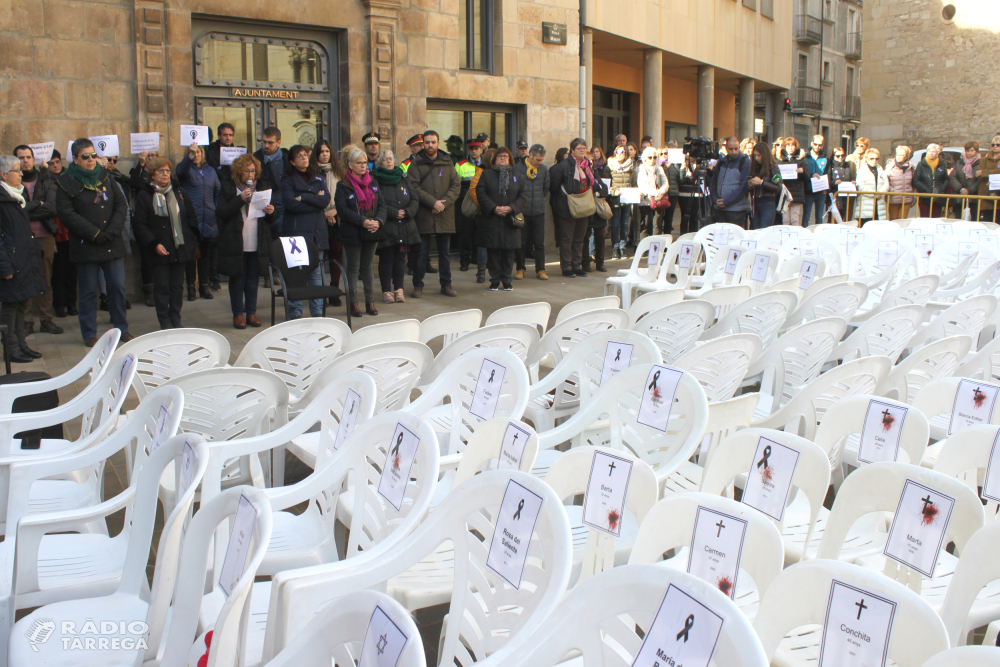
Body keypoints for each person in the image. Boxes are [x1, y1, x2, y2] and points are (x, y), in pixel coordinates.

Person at [55, 139, 132, 346]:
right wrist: (95, 233)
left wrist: (113, 230)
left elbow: (120, 204)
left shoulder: (106, 176)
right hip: (86, 244)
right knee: (88, 290)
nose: (91, 160)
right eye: (85, 156)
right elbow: (67, 214)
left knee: (117, 287)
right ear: (75, 159)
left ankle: (121, 328)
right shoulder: (66, 182)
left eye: (93, 155)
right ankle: (89, 332)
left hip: (111, 241)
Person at [131, 157, 200, 330]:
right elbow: (139, 224)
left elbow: (191, 218)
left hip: (180, 248)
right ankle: (165, 322)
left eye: (167, 170)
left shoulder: (180, 193)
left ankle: (176, 319)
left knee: (177, 287)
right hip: (159, 248)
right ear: (152, 174)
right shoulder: (145, 196)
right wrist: (153, 243)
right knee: (162, 287)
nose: (165, 174)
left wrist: (190, 241)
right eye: (160, 171)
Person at [215, 153, 276, 330]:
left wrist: (272, 211)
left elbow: (273, 217)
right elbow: (222, 213)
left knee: (252, 279)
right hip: (236, 240)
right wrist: (239, 199)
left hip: (257, 238)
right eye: (246, 171)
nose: (250, 175)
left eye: (253, 171)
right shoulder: (229, 187)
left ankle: (251, 312)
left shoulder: (262, 186)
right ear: (238, 172)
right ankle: (237, 314)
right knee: (237, 279)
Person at [0, 155, 47, 362]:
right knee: (10, 306)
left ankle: (21, 344)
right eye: (16, 170)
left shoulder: (16, 197)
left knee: (21, 303)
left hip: (22, 260)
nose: (21, 174)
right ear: (3, 174)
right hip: (11, 262)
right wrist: (5, 266)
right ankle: (11, 349)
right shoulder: (3, 201)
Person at [14, 145, 62, 335]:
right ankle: (27, 321)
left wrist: (25, 210)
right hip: (21, 238)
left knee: (46, 279)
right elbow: (13, 212)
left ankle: (46, 319)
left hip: (45, 235)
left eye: (28, 157)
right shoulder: (12, 183)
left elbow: (52, 208)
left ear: (34, 159)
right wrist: (36, 205)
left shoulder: (46, 180)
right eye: (21, 158)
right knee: (24, 279)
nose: (25, 161)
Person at [281, 144, 331, 319]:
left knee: (316, 273)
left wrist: (304, 197)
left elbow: (325, 200)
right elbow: (290, 204)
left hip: (317, 232)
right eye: (299, 156)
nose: (304, 158)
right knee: (296, 274)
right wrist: (315, 201)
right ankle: (295, 312)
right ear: (293, 161)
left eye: (305, 155)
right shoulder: (287, 180)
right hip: (296, 233)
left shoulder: (317, 177)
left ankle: (317, 311)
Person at [335, 145, 386, 316]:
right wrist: (363, 221)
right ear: (350, 165)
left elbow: (382, 205)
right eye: (359, 163)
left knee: (368, 267)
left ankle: (369, 302)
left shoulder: (373, 183)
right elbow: (342, 210)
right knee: (353, 267)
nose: (363, 166)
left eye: (365, 163)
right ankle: (353, 303)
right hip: (353, 231)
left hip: (372, 230)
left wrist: (378, 221)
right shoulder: (343, 185)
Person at [408, 130, 460, 298]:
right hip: (424, 213)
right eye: (427, 142)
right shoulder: (416, 164)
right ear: (423, 144)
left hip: (444, 214)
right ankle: (418, 285)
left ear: (438, 143)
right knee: (421, 252)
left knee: (444, 253)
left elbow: (456, 185)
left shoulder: (447, 161)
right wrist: (432, 202)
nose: (430, 145)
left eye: (433, 142)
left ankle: (446, 285)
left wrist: (443, 203)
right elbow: (413, 187)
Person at [476, 146, 528, 290]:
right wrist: (494, 208)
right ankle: (494, 280)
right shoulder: (487, 174)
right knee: (492, 251)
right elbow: (481, 193)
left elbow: (523, 196)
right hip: (491, 219)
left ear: (510, 159)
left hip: (510, 220)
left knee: (508, 252)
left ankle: (506, 280)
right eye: (500, 156)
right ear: (495, 159)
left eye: (505, 156)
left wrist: (511, 208)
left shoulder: (517, 175)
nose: (503, 158)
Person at [549, 137, 601, 277]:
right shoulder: (563, 166)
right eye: (579, 148)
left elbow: (593, 182)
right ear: (572, 150)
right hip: (567, 207)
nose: (583, 150)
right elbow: (553, 188)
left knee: (579, 237)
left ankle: (576, 265)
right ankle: (566, 267)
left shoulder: (587, 165)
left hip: (584, 206)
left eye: (584, 148)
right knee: (567, 238)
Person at [373, 149, 419, 304]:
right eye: (385, 159)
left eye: (391, 158)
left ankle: (399, 290)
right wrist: (394, 213)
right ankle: (386, 291)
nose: (388, 161)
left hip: (404, 227)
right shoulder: (376, 180)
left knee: (400, 259)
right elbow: (377, 202)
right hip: (387, 226)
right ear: (380, 162)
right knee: (386, 259)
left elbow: (414, 198)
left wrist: (407, 212)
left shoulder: (402, 177)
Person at [176, 142, 221, 299]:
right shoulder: (186, 169)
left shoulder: (210, 171)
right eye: (194, 152)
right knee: (190, 255)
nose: (197, 155)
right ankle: (190, 288)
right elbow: (180, 173)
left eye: (199, 152)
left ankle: (204, 286)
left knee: (205, 255)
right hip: (192, 218)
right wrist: (189, 157)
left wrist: (214, 208)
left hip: (208, 217)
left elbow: (217, 190)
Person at [46, 151, 77, 318]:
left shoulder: (69, 178)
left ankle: (72, 303)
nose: (55, 165)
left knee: (72, 271)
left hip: (70, 231)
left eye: (57, 162)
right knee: (58, 272)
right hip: (55, 231)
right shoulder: (44, 182)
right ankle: (59, 305)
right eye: (51, 163)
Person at [313, 139, 344, 306]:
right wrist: (324, 213)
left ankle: (334, 290)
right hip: (318, 218)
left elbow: (345, 196)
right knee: (319, 257)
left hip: (336, 219)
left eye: (327, 151)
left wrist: (335, 211)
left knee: (336, 254)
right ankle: (320, 291)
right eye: (321, 152)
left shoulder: (339, 172)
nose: (325, 154)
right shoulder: (312, 172)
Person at [513, 143, 550, 280]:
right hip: (523, 211)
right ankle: (520, 268)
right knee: (521, 242)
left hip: (538, 211)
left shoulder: (543, 170)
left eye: (541, 160)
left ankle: (540, 269)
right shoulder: (518, 168)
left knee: (539, 243)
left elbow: (545, 188)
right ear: (531, 155)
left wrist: (539, 199)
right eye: (538, 160)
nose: (540, 162)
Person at [456, 138, 485, 272]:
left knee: (480, 233)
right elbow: (456, 186)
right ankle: (464, 261)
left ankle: (476, 258)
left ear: (481, 150)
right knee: (465, 234)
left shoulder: (486, 164)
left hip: (482, 204)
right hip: (467, 204)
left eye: (476, 148)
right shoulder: (460, 165)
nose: (474, 151)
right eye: (471, 149)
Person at [253, 126, 289, 235]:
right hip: (262, 209)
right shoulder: (255, 158)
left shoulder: (287, 159)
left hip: (283, 209)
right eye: (264, 142)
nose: (266, 145)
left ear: (278, 142)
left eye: (270, 143)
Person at [710, 137, 751, 229]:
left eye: (736, 148)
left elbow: (744, 187)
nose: (733, 151)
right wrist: (715, 199)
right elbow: (713, 182)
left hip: (736, 209)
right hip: (720, 208)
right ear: (726, 148)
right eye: (731, 149)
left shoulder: (745, 161)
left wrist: (727, 201)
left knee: (735, 236)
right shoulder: (721, 162)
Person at [748, 141, 782, 229]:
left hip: (768, 202)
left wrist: (762, 182)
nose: (756, 158)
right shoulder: (755, 167)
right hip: (755, 202)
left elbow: (778, 188)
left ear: (765, 155)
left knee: (764, 230)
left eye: (759, 155)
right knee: (754, 230)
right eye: (755, 155)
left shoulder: (773, 167)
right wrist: (751, 185)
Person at [776, 138, 808, 226]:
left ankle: (795, 238)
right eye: (788, 145)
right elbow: (776, 175)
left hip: (796, 192)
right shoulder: (779, 158)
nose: (791, 148)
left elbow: (807, 177)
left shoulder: (801, 158)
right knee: (785, 220)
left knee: (794, 219)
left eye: (793, 145)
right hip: (785, 192)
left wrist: (803, 171)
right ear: (784, 147)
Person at [913, 143, 950, 218]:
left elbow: (946, 179)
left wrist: (942, 188)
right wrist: (925, 189)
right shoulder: (921, 164)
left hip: (937, 196)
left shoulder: (942, 164)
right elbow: (915, 180)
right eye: (929, 151)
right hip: (925, 196)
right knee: (925, 218)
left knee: (936, 218)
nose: (931, 153)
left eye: (933, 151)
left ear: (937, 153)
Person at [856, 148, 889, 224]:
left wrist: (880, 193)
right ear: (867, 159)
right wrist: (874, 193)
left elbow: (886, 184)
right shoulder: (862, 171)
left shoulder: (881, 170)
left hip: (879, 206)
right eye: (872, 158)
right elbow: (860, 186)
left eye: (876, 158)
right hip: (866, 206)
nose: (874, 160)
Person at [950, 141, 981, 219]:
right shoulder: (959, 162)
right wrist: (961, 189)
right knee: (959, 219)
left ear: (976, 151)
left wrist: (969, 190)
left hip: (974, 197)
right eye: (968, 151)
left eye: (972, 150)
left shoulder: (980, 163)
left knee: (974, 219)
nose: (970, 153)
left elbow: (979, 180)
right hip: (960, 196)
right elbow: (953, 176)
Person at [804, 135, 831, 226]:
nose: (817, 147)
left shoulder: (825, 157)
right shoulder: (805, 156)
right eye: (815, 144)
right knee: (806, 216)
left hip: (821, 191)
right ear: (812, 143)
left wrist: (827, 189)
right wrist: (811, 175)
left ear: (822, 145)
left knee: (819, 217)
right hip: (808, 190)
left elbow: (828, 172)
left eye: (820, 145)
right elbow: (803, 172)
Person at [884, 145, 915, 221]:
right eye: (897, 154)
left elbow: (914, 182)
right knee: (893, 220)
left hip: (907, 197)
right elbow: (885, 180)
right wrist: (891, 190)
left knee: (903, 220)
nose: (899, 156)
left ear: (907, 156)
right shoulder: (889, 167)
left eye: (901, 155)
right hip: (894, 197)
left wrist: (914, 195)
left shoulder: (911, 168)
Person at [975, 136, 1000, 222]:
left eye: (998, 144)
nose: (995, 146)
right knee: (987, 222)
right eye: (993, 145)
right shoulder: (984, 159)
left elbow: (982, 173)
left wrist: (985, 172)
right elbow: (978, 174)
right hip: (986, 194)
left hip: (998, 195)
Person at [829, 146, 856, 222]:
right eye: (838, 156)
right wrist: (834, 183)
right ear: (833, 156)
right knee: (833, 219)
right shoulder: (831, 166)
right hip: (835, 196)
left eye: (843, 155)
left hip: (845, 196)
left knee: (842, 217)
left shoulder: (847, 166)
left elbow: (849, 178)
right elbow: (828, 181)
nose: (840, 157)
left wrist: (852, 182)